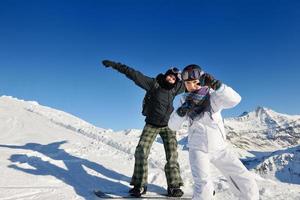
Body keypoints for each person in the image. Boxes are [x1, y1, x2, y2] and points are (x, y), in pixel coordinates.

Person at [168, 64, 259, 200]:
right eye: (188, 83)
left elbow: (235, 100)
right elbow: (173, 126)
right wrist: (182, 111)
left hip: (220, 148)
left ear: (202, 80)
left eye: (195, 82)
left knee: (245, 180)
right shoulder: (183, 100)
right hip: (198, 149)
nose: (192, 86)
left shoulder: (213, 96)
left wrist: (218, 85)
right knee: (204, 188)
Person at [102, 60, 185, 197]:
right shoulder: (153, 84)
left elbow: (192, 84)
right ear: (166, 75)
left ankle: (174, 186)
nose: (171, 79)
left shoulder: (175, 88)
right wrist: (114, 65)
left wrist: (204, 80)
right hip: (151, 124)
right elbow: (134, 74)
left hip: (168, 126)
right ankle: (140, 185)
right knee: (141, 151)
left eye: (174, 78)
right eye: (170, 75)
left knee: (172, 156)